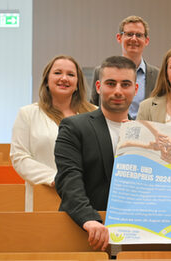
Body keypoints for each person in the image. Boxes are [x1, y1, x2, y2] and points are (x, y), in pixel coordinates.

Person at [55, 56, 138, 251]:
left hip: (136, 236)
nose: (118, 90)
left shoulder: (147, 134)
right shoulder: (74, 127)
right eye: (111, 83)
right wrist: (90, 220)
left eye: (125, 84)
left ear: (135, 89)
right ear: (99, 87)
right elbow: (69, 179)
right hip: (86, 233)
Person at [10, 55, 96, 212]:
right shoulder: (27, 114)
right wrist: (56, 179)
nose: (64, 78)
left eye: (71, 74)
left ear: (77, 84)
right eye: (57, 73)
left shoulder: (95, 114)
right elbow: (19, 157)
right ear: (46, 81)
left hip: (88, 198)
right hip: (45, 195)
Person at [90, 15, 159, 119]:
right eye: (129, 34)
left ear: (146, 40)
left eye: (139, 35)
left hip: (145, 133)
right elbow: (93, 107)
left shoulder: (157, 75)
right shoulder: (100, 71)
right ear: (119, 38)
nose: (134, 39)